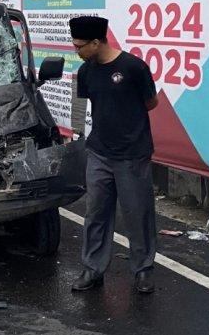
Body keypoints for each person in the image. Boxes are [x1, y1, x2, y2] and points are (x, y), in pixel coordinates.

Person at [69, 16, 159, 294]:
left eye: (79, 46)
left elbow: (151, 102)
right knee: (95, 213)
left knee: (138, 214)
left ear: (96, 42)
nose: (77, 51)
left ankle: (143, 269)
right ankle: (92, 269)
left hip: (132, 154)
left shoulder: (134, 68)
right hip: (99, 153)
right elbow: (87, 105)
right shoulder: (86, 72)